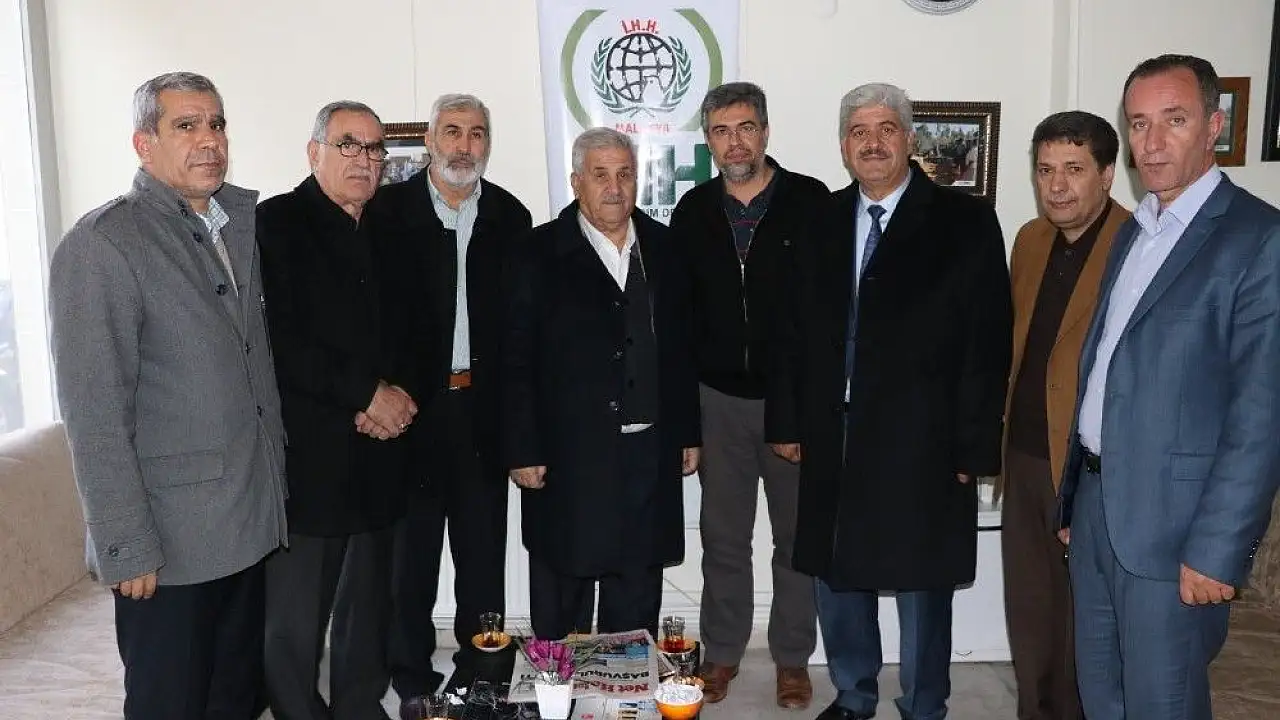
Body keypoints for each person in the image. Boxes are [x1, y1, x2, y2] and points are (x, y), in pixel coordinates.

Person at [767, 82, 1012, 720]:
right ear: (843, 145)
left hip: (924, 437)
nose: (871, 143)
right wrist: (786, 420)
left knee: (922, 579)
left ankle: (924, 702)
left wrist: (975, 445)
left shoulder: (964, 222)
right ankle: (854, 695)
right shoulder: (818, 221)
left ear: (908, 139)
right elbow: (789, 332)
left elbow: (988, 341)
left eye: (885, 130)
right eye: (858, 132)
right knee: (837, 571)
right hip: (834, 430)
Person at [47, 71, 288, 719]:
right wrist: (125, 545)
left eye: (216, 124)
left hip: (246, 525)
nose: (209, 140)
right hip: (169, 549)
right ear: (143, 143)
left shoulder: (234, 225)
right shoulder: (103, 245)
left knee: (235, 702)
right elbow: (95, 416)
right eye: (186, 125)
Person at [1058, 53, 1280, 720]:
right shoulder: (1135, 229)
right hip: (1097, 511)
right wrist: (1074, 499)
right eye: (1138, 124)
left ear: (1213, 126)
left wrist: (1218, 551)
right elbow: (1106, 368)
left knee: (1164, 705)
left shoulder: (1259, 239)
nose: (1151, 143)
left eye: (1173, 120)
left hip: (1176, 535)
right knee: (1102, 698)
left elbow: (1261, 415)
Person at [502, 127, 701, 641]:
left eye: (625, 174)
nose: (614, 187)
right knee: (562, 593)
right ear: (576, 183)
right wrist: (522, 448)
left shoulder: (666, 248)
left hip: (648, 451)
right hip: (566, 457)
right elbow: (515, 360)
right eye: (600, 175)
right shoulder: (535, 253)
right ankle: (559, 685)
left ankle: (626, 684)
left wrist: (686, 432)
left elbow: (681, 351)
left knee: (635, 594)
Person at [371, 93, 533, 711]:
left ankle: (480, 674)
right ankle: (411, 679)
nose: (465, 146)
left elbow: (520, 332)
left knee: (482, 555)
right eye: (453, 132)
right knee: (409, 560)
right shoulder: (387, 212)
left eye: (477, 134)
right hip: (411, 411)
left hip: (481, 411)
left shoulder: (511, 217)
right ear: (431, 140)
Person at [669, 81, 826, 709]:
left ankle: (792, 658)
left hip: (792, 402)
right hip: (718, 403)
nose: (734, 142)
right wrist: (687, 420)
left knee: (796, 540)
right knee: (724, 539)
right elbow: (678, 324)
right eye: (721, 131)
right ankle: (723, 653)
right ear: (708, 141)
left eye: (745, 127)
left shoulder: (811, 202)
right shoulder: (692, 211)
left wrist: (807, 410)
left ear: (765, 131)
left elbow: (824, 318)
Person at [257, 101, 415, 720]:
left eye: (375, 149)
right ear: (314, 151)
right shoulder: (274, 226)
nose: (364, 160)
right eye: (349, 144)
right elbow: (279, 338)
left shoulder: (392, 227)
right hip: (308, 456)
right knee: (294, 620)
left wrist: (397, 399)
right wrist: (365, 395)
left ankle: (358, 708)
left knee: (367, 610)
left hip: (381, 448)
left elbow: (421, 327)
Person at [998, 110, 1130, 720]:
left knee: (1085, 616)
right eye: (1045, 169)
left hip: (1090, 463)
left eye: (1074, 169)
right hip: (1024, 453)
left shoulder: (1136, 244)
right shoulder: (1029, 240)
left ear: (1107, 174)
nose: (1057, 185)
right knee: (1031, 606)